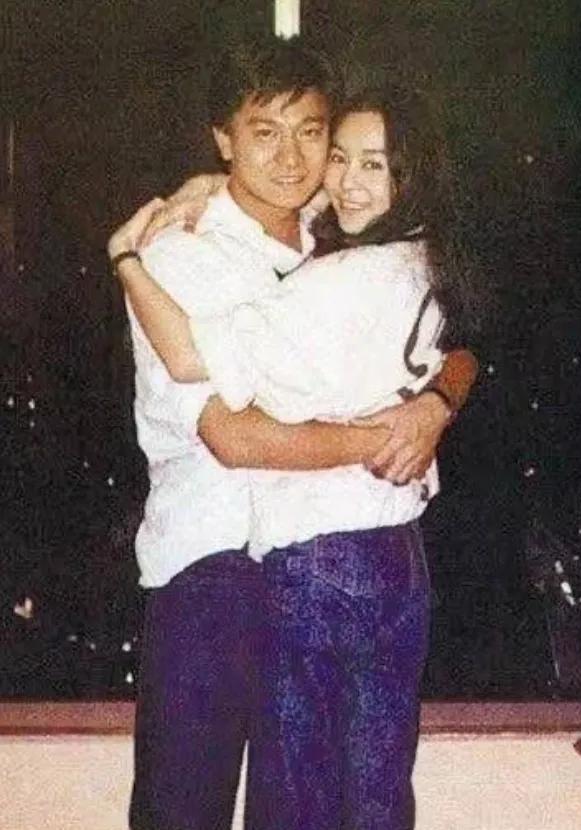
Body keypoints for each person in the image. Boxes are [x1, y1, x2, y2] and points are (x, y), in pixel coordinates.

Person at [109, 38, 478, 830]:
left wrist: (435, 406)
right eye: (263, 132)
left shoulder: (340, 227)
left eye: (310, 133)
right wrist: (383, 445)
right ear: (223, 138)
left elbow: (463, 339)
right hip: (210, 565)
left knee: (317, 807)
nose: (291, 158)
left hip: (316, 562)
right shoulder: (179, 256)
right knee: (184, 809)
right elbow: (232, 438)